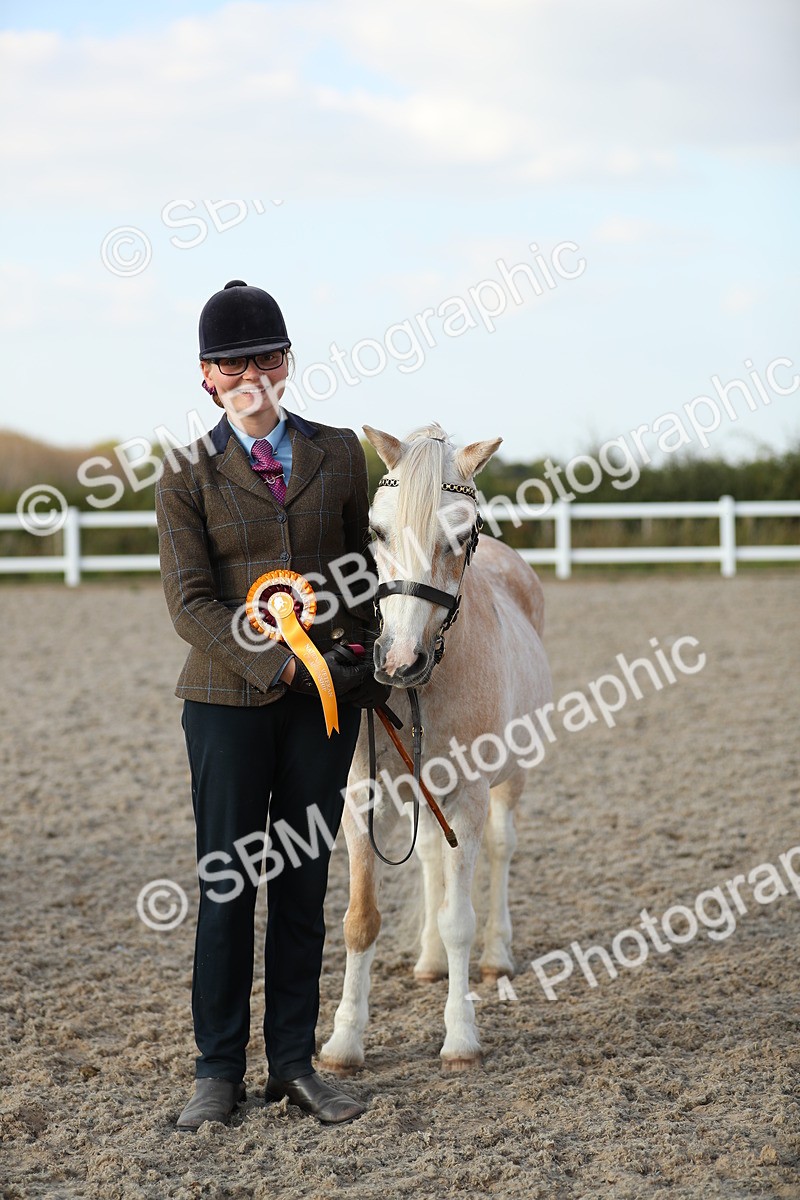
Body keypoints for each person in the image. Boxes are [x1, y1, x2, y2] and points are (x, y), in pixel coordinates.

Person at [155, 280, 387, 1132]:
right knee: (227, 884)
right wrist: (283, 668)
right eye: (232, 363)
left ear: (286, 364)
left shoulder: (340, 453)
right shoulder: (185, 474)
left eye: (265, 357)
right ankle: (217, 1068)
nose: (251, 373)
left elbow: (369, 566)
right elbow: (190, 603)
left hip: (327, 704)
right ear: (208, 378)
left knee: (304, 880)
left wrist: (355, 651)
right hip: (228, 701)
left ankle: (292, 1064)